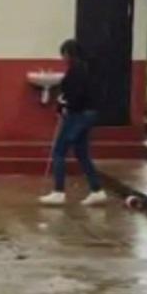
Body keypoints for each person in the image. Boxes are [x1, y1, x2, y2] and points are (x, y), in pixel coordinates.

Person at [40, 39, 107, 206]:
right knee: (81, 153)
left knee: (59, 151)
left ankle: (58, 192)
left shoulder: (76, 71)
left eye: (63, 54)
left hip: (78, 115)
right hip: (89, 114)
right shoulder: (86, 68)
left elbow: (75, 95)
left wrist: (64, 105)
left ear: (68, 54)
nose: (62, 58)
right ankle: (97, 190)